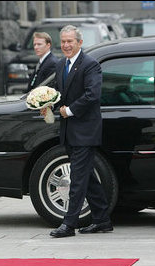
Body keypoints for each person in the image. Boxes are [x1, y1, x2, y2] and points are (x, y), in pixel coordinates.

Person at [45, 25, 112, 238]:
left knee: (77, 178)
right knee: (87, 177)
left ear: (79, 43)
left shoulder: (90, 65)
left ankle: (69, 224)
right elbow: (59, 94)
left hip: (85, 131)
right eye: (63, 41)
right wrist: (48, 105)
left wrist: (70, 110)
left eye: (70, 41)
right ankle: (102, 220)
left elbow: (93, 95)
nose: (65, 45)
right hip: (69, 131)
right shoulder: (60, 65)